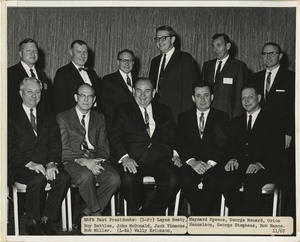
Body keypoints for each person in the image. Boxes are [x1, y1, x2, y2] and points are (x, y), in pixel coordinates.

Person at [8, 77, 71, 235]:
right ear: (21, 93)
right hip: (20, 166)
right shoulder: (10, 115)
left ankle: (46, 220)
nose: (34, 96)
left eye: (37, 92)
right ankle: (32, 221)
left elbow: (55, 143)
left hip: (45, 164)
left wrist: (51, 163)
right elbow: (8, 146)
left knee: (63, 178)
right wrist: (29, 163)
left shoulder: (48, 115)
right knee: (37, 179)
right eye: (29, 92)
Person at [109, 77, 180, 215]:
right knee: (128, 181)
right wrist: (125, 158)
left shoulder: (165, 110)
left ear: (154, 93)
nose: (142, 95)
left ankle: (152, 213)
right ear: (133, 92)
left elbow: (174, 136)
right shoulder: (122, 110)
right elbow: (115, 137)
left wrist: (176, 155)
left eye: (147, 91)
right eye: (139, 91)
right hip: (133, 160)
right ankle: (138, 212)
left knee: (174, 179)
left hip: (160, 159)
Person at [56, 83, 120, 230]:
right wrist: (84, 161)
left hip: (95, 159)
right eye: (82, 96)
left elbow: (104, 147)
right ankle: (96, 215)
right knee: (85, 176)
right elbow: (63, 149)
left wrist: (97, 161)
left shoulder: (99, 118)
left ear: (94, 99)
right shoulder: (63, 117)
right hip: (72, 160)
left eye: (90, 96)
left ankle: (87, 211)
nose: (86, 100)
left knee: (114, 178)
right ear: (76, 97)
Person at [222, 83, 284, 215]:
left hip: (264, 168)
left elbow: (277, 150)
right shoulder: (236, 122)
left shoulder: (273, 120)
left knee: (251, 181)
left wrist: (260, 164)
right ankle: (237, 217)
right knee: (226, 180)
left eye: (250, 97)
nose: (246, 101)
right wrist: (232, 158)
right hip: (241, 166)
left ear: (259, 97)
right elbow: (230, 146)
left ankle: (250, 220)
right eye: (243, 98)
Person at [252, 42, 295, 218]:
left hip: (282, 135)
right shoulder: (255, 77)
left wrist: (290, 133)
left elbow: (295, 108)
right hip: (260, 136)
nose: (268, 57)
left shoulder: (291, 77)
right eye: (265, 54)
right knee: (258, 171)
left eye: (272, 53)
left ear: (280, 56)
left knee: (284, 173)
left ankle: (283, 214)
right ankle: (260, 211)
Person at [175, 81, 229, 215]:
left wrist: (210, 164)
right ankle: (203, 217)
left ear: (212, 97)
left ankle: (199, 217)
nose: (202, 99)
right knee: (184, 179)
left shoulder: (222, 117)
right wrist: (192, 162)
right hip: (191, 163)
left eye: (206, 95)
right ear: (193, 98)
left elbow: (223, 145)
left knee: (213, 180)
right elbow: (179, 143)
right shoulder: (184, 117)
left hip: (213, 164)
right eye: (198, 96)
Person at [149, 25, 197, 121]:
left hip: (176, 112)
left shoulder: (185, 58)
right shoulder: (155, 61)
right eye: (157, 39)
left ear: (172, 39)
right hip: (157, 112)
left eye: (163, 38)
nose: (159, 42)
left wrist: (185, 116)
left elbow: (189, 89)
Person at [202, 33, 249, 119]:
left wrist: (236, 120)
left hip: (228, 117)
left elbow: (240, 97)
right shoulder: (207, 66)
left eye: (219, 45)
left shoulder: (238, 66)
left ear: (228, 46)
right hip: (208, 116)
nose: (215, 49)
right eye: (213, 46)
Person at [53, 40, 101, 114]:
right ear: (71, 52)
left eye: (85, 52)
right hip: (72, 120)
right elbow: (60, 103)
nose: (82, 56)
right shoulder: (63, 72)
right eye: (78, 52)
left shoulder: (92, 73)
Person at [8, 38, 52, 115]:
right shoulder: (10, 73)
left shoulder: (42, 74)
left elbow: (46, 101)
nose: (32, 54)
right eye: (28, 51)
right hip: (17, 120)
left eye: (35, 51)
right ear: (20, 54)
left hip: (40, 120)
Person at [101, 49, 138, 131]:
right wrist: (125, 118)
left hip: (136, 127)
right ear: (118, 62)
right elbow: (106, 104)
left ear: (133, 62)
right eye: (123, 60)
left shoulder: (139, 81)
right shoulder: (108, 80)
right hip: (117, 126)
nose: (127, 63)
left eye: (130, 60)